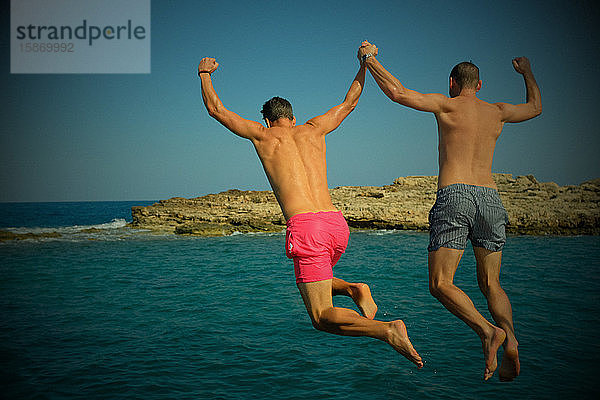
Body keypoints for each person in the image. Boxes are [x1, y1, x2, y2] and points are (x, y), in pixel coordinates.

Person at [197, 55, 423, 368]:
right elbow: (349, 103)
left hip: (306, 228)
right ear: (293, 117)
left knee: (320, 316)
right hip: (335, 225)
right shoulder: (315, 128)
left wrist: (204, 73)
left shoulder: (263, 136)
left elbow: (216, 109)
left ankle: (387, 330)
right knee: (311, 282)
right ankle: (353, 288)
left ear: (268, 121)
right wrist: (364, 64)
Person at [358, 41, 541, 381]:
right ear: (480, 85)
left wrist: (370, 59)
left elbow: (397, 93)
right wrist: (527, 72)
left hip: (455, 195)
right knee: (492, 284)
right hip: (490, 197)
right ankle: (511, 336)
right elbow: (535, 107)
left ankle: (489, 333)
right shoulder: (497, 110)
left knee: (442, 283)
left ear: (453, 83)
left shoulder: (447, 105)